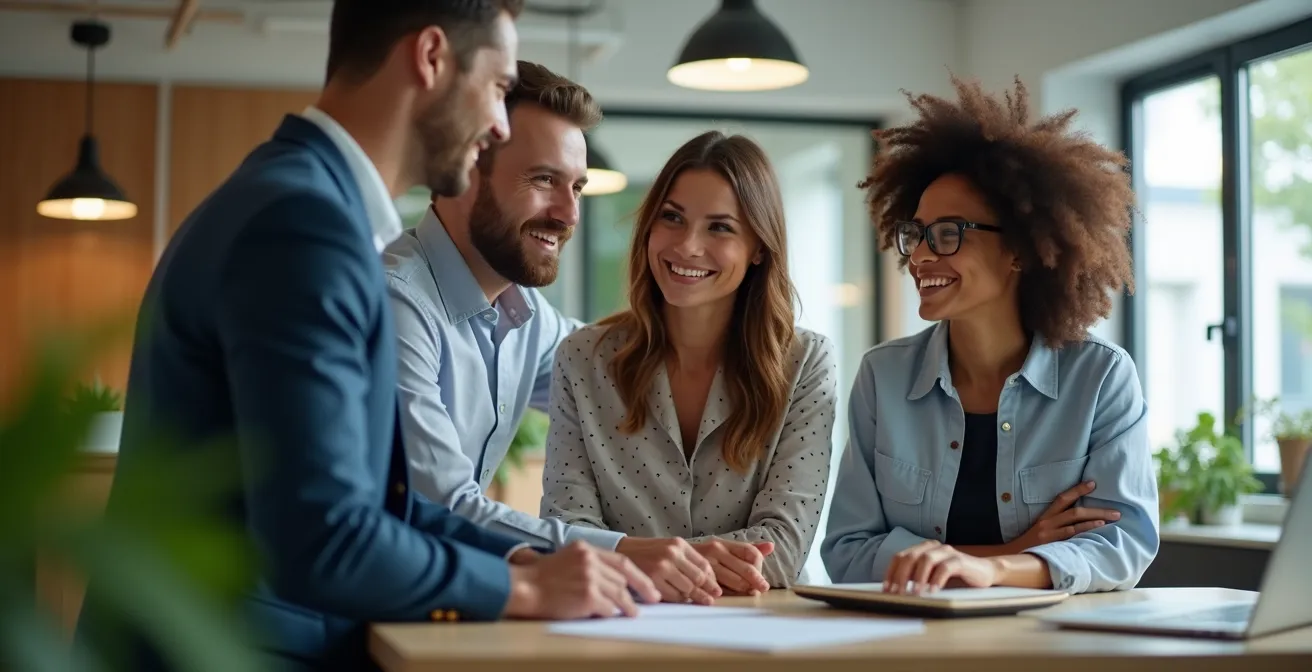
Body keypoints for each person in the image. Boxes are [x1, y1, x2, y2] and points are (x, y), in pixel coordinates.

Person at [76, 2, 658, 670]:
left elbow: (381, 504)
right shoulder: (306, 225)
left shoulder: (303, 203)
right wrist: (521, 585)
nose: (498, 123)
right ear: (431, 57)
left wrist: (532, 559)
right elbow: (324, 537)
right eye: (498, 89)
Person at [385, 60, 734, 605]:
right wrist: (621, 549)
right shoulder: (395, 302)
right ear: (463, 170)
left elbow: (640, 370)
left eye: (577, 187)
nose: (569, 214)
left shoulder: (529, 318)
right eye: (544, 180)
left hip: (443, 605)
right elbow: (440, 505)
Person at [820, 75, 1159, 595]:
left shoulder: (1101, 377)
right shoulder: (882, 377)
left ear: (1020, 249)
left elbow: (1122, 545)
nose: (920, 255)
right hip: (906, 641)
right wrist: (1010, 555)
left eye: (949, 233)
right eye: (916, 233)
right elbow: (848, 552)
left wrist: (994, 571)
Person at [540, 131, 839, 595]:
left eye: (720, 227)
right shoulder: (583, 359)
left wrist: (632, 558)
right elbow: (568, 539)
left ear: (758, 246)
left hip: (763, 642)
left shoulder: (805, 363)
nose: (687, 246)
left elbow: (782, 550)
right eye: (672, 218)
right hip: (621, 635)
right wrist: (686, 562)